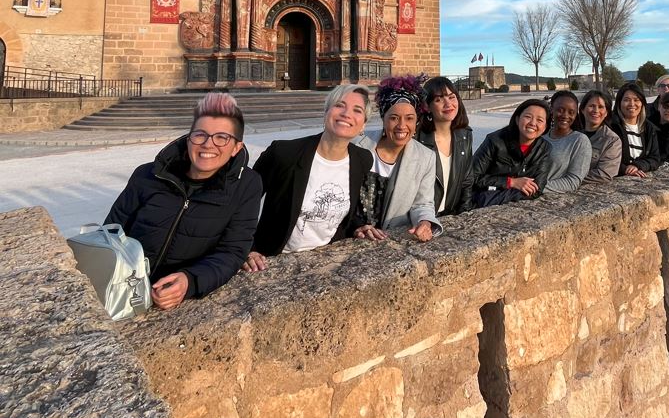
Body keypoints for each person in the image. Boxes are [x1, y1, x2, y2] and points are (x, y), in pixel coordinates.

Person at [105, 92, 262, 310]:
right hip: (123, 291)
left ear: (236, 147)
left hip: (174, 295)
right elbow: (111, 233)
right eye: (200, 135)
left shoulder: (246, 186)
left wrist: (190, 281)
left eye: (222, 137)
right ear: (189, 139)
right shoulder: (147, 175)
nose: (208, 144)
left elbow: (232, 250)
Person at [243, 85, 372, 272]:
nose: (346, 113)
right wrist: (246, 248)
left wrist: (358, 226)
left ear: (364, 125)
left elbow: (344, 208)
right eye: (339, 105)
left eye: (357, 110)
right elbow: (242, 202)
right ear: (326, 112)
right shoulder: (284, 154)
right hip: (274, 260)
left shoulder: (362, 159)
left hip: (328, 262)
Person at [353, 76, 441, 242]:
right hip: (352, 237)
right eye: (394, 118)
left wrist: (425, 222)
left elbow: (423, 203)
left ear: (417, 122)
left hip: (391, 241)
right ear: (383, 119)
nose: (402, 125)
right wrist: (353, 225)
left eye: (409, 118)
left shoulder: (426, 157)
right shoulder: (357, 145)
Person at [469, 99, 552, 205]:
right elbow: (472, 177)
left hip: (492, 200)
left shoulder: (544, 148)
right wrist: (511, 182)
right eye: (528, 117)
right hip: (480, 203)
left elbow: (537, 188)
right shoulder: (495, 140)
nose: (533, 123)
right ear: (517, 119)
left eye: (540, 120)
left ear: (545, 127)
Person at [416, 76, 473, 216]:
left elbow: (467, 180)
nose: (448, 104)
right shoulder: (417, 139)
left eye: (452, 97)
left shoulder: (464, 135)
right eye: (438, 99)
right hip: (423, 218)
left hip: (451, 214)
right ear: (427, 107)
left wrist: (463, 213)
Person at [542, 90, 592, 193]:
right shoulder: (540, 138)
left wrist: (535, 187)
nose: (565, 115)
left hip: (549, 200)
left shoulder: (579, 141)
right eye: (560, 110)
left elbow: (573, 182)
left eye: (571, 112)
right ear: (551, 109)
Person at [610, 81, 661, 177]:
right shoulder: (612, 126)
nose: (632, 104)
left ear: (642, 103)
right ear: (619, 103)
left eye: (636, 100)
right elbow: (605, 158)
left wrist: (638, 166)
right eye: (626, 100)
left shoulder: (649, 128)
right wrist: (625, 169)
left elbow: (655, 159)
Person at [579, 89, 622, 182]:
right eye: (591, 106)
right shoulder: (574, 135)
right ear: (582, 109)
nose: (596, 110)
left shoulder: (612, 140)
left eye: (601, 107)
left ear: (606, 113)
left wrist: (571, 178)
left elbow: (604, 174)